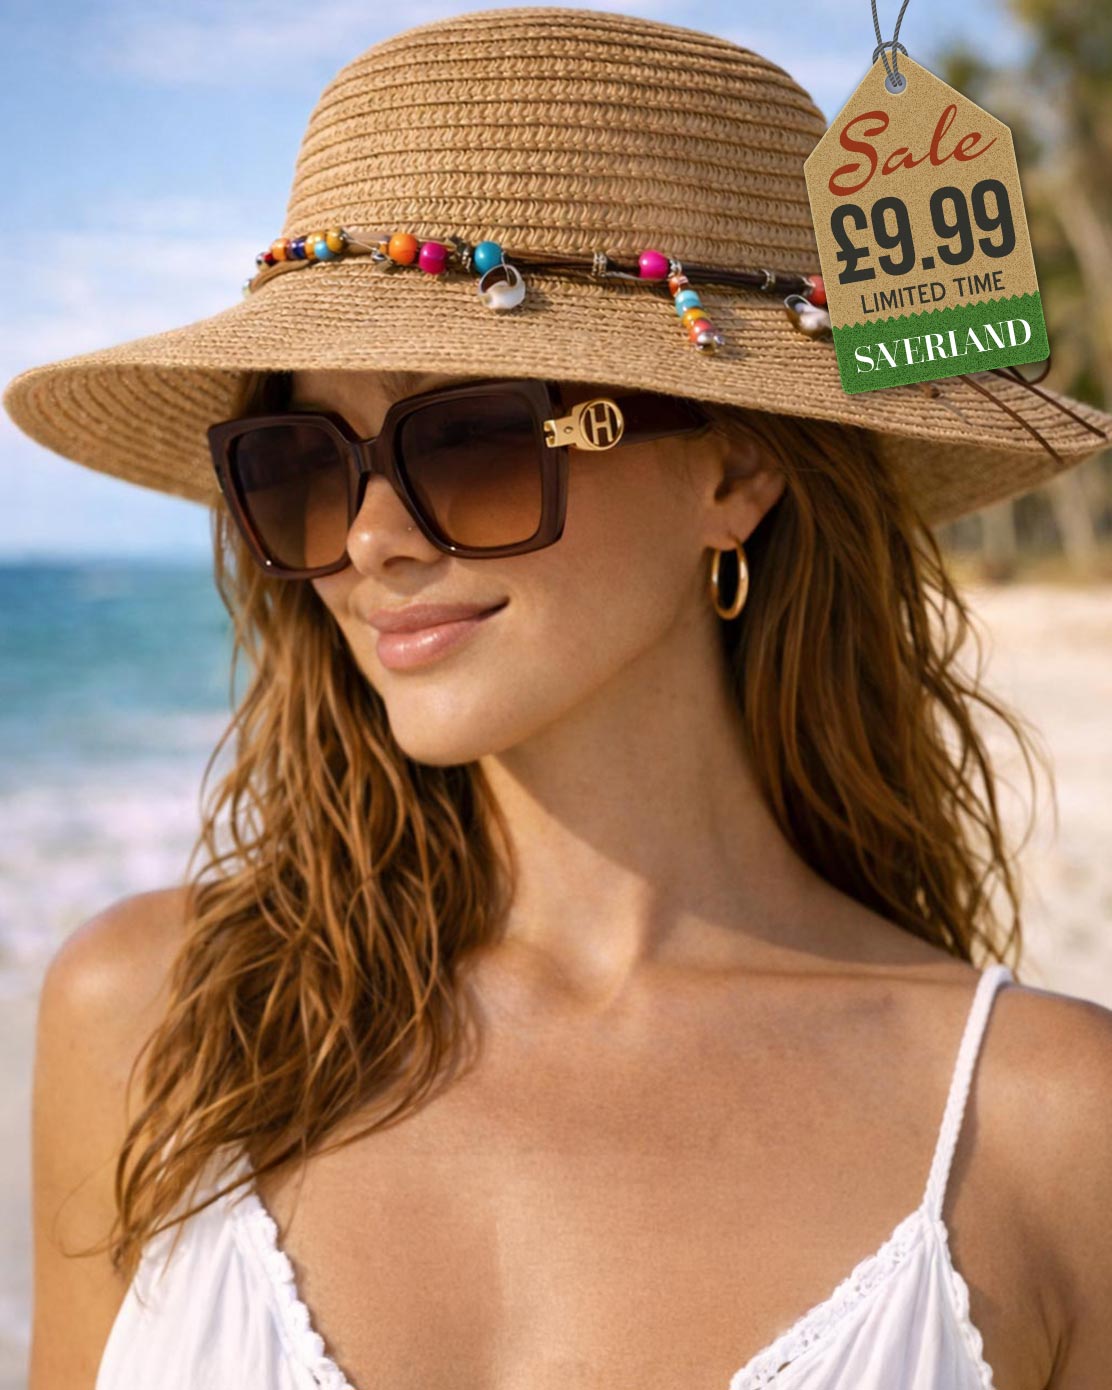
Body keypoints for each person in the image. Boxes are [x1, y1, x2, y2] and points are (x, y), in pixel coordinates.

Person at [6, 8, 1112, 1390]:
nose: (370, 539)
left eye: (467, 442)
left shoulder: (1050, 1134)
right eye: (302, 461)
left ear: (735, 472)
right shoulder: (159, 1022)